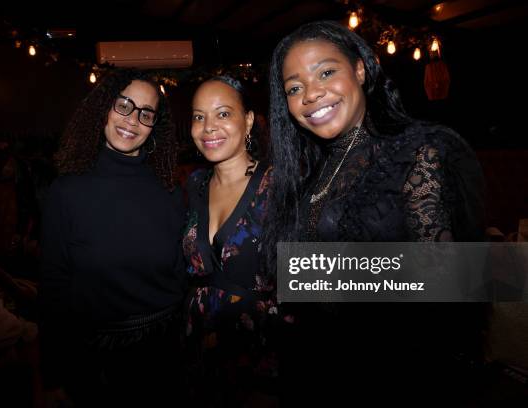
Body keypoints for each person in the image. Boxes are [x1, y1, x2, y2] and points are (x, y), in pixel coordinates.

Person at [264, 21, 486, 404]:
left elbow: (458, 285)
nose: (311, 94)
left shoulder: (417, 151)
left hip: (396, 376)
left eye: (326, 72)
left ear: (361, 70)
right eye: (294, 88)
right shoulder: (313, 169)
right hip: (317, 370)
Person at [39, 69, 186, 406]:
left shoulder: (171, 192)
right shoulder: (66, 192)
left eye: (145, 113)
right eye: (123, 106)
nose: (132, 120)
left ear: (154, 127)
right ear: (103, 108)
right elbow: (52, 287)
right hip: (94, 360)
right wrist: (53, 372)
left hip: (164, 354)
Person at [182, 76, 278, 405]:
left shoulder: (277, 186)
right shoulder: (194, 185)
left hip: (260, 354)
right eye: (198, 116)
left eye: (223, 114)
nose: (208, 127)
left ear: (248, 120)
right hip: (199, 349)